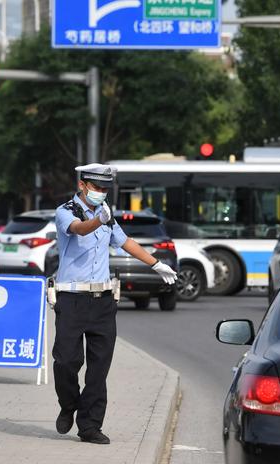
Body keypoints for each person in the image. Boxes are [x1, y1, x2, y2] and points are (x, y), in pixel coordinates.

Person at [52, 163, 177, 444]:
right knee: (66, 361)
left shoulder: (106, 216)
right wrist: (99, 220)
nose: (101, 193)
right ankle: (68, 404)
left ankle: (90, 426)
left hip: (103, 300)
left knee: (99, 368)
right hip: (72, 298)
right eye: (97, 188)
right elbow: (80, 230)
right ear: (82, 185)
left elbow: (125, 242)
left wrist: (156, 264)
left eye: (105, 189)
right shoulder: (66, 212)